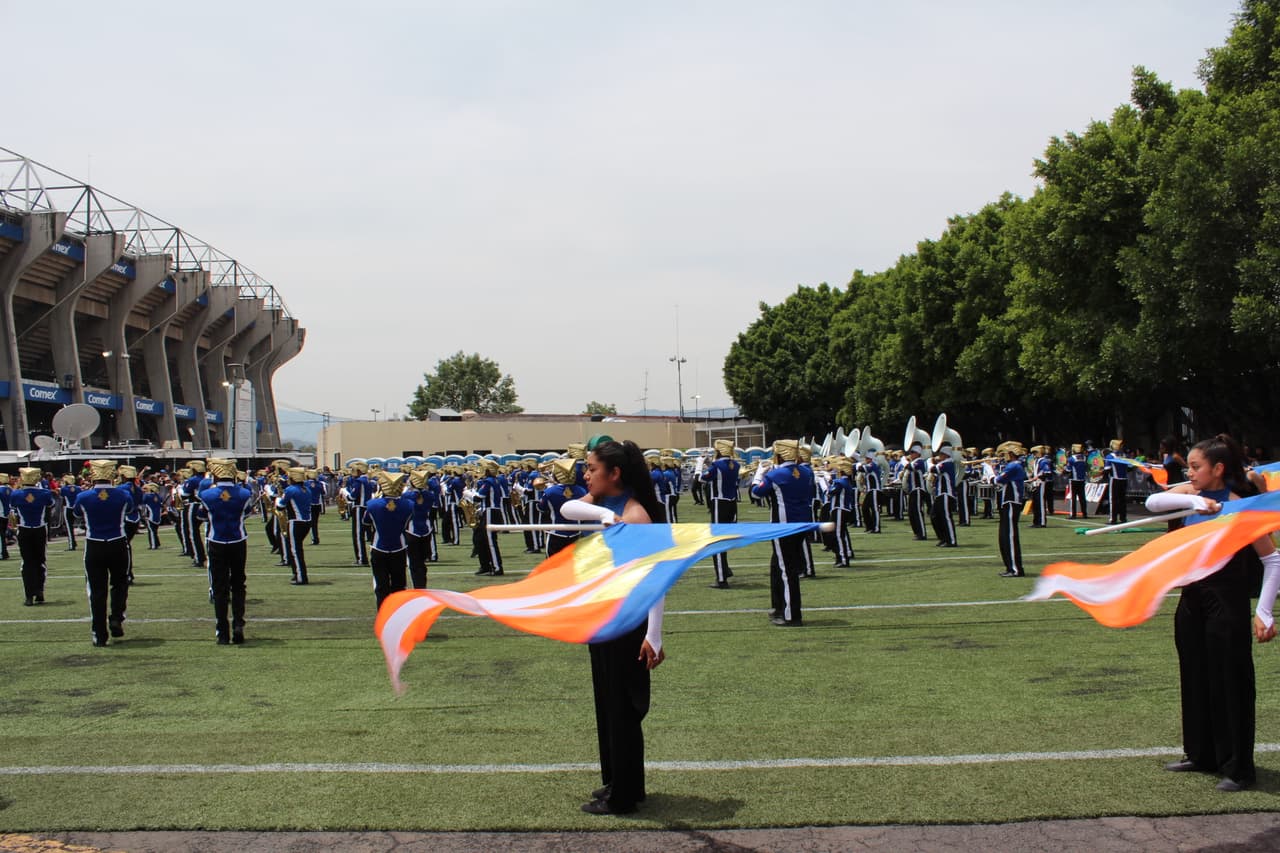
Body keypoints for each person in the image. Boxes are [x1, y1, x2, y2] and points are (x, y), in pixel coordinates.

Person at [1155, 435, 1279, 792]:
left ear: (1218, 469)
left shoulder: (1242, 507)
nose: (1189, 473)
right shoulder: (1193, 500)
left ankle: (1238, 767)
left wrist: (1265, 613)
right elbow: (1153, 501)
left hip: (1226, 602)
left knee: (1231, 683)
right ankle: (1201, 753)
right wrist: (1197, 500)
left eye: (1195, 467)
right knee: (1194, 676)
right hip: (1192, 599)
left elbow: (1273, 560)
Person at [559, 439, 666, 816]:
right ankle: (618, 784)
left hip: (625, 625)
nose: (585, 475)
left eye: (591, 468)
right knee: (607, 705)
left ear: (615, 473)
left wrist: (654, 635)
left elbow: (655, 578)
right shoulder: (605, 507)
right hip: (603, 620)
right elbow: (565, 507)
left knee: (622, 710)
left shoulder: (636, 516)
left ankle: (624, 796)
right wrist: (602, 518)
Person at [750, 439, 813, 626]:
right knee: (780, 566)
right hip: (802, 524)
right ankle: (779, 606)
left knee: (787, 571)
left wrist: (759, 475)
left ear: (779, 454)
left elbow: (755, 493)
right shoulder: (807, 472)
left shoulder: (776, 475)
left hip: (783, 527)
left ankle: (791, 615)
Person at [73, 460, 134, 646]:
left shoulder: (83, 497)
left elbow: (77, 514)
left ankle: (99, 635)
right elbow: (130, 510)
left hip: (94, 544)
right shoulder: (123, 495)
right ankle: (116, 617)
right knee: (120, 584)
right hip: (118, 542)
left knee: (96, 591)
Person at [197, 458, 255, 645]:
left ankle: (222, 632)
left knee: (220, 588)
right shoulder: (244, 493)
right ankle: (239, 623)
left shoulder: (206, 495)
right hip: (238, 540)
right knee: (238, 584)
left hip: (216, 541)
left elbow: (200, 515)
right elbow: (246, 513)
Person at [366, 471, 415, 610]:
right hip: (399, 547)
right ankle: (398, 616)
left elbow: (366, 522)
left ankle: (383, 615)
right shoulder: (409, 505)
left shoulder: (372, 504)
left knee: (381, 585)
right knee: (399, 586)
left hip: (378, 547)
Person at [699, 439, 740, 586]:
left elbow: (701, 478)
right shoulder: (736, 464)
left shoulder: (717, 465)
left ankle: (721, 578)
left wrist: (700, 465)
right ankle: (726, 569)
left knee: (716, 541)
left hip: (719, 503)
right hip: (732, 504)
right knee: (725, 539)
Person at [12, 467, 56, 606]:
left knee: (27, 562)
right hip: (40, 530)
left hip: (24, 530)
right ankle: (40, 591)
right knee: (40, 560)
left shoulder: (16, 494)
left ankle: (29, 595)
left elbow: (13, 508)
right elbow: (51, 505)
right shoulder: (45, 493)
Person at [995, 443, 1027, 578]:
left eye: (1005, 454)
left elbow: (998, 480)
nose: (1003, 457)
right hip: (1007, 503)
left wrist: (990, 472)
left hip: (1011, 503)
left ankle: (1015, 569)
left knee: (1009, 537)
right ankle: (1010, 567)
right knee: (1004, 538)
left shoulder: (1014, 465)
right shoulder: (1013, 465)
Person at [278, 467, 313, 585]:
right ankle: (296, 574)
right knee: (296, 549)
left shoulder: (290, 490)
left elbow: (280, 506)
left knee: (295, 550)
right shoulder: (307, 489)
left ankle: (301, 577)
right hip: (307, 522)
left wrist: (278, 499)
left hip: (295, 522)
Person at [1066, 444, 1090, 519]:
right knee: (1082, 497)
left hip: (1073, 480)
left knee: (1073, 498)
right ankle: (1084, 513)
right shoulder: (1084, 458)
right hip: (1082, 480)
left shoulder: (1071, 459)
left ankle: (1073, 514)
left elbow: (1068, 470)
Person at [59, 474, 81, 550]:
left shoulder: (64, 488)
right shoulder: (78, 488)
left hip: (68, 508)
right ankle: (73, 542)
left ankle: (72, 545)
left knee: (69, 528)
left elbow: (62, 496)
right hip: (77, 508)